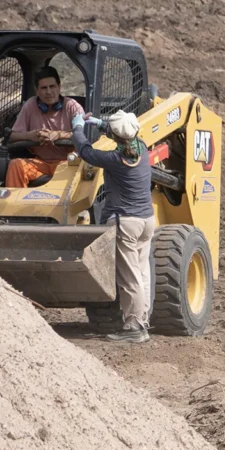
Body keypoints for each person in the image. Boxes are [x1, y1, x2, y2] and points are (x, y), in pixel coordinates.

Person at [71, 110, 154, 343]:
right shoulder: (143, 148)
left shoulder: (115, 161)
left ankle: (134, 327)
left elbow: (86, 152)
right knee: (142, 272)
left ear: (116, 137)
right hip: (146, 220)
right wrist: (98, 122)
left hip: (126, 221)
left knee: (129, 278)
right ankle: (142, 320)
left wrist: (78, 128)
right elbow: (122, 135)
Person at [6, 66, 84, 187]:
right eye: (43, 88)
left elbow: (84, 135)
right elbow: (12, 136)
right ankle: (14, 204)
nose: (48, 92)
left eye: (52, 86)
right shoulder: (30, 105)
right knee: (16, 165)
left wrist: (58, 135)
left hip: (69, 162)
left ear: (59, 87)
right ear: (37, 90)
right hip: (41, 163)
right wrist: (29, 136)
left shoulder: (72, 106)